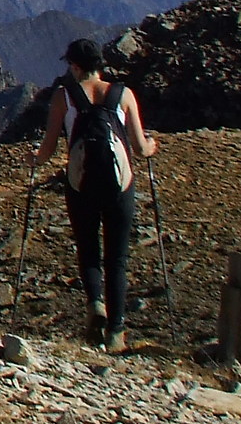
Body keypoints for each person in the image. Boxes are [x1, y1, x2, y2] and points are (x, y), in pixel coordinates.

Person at [34, 37, 158, 353]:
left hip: (81, 185)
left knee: (88, 249)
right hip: (120, 186)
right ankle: (116, 332)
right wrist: (152, 147)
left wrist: (33, 160)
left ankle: (95, 305)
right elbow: (140, 147)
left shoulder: (65, 97)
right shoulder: (123, 94)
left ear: (75, 66)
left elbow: (48, 148)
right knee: (117, 258)